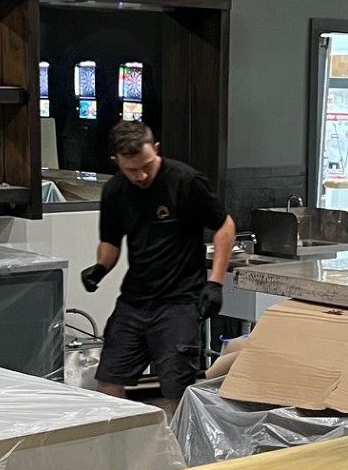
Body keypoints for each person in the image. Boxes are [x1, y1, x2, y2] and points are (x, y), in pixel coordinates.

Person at [84, 120, 235, 403]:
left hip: (178, 302)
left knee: (176, 388)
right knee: (108, 381)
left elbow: (225, 226)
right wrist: (100, 268)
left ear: (155, 149)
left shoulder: (185, 181)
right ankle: (118, 443)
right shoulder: (115, 191)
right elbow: (111, 241)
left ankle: (179, 446)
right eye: (131, 169)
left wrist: (215, 282)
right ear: (116, 161)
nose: (141, 175)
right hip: (134, 301)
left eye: (147, 165)